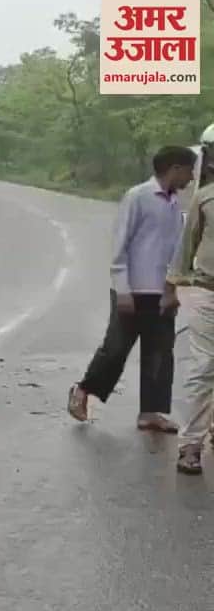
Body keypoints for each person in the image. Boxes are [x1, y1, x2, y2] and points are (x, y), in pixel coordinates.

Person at [68, 145, 197, 431]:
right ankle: (83, 391)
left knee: (160, 354)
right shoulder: (138, 197)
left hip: (162, 294)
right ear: (175, 168)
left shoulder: (177, 206)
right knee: (115, 349)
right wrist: (122, 289)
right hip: (132, 291)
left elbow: (176, 254)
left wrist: (172, 290)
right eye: (189, 170)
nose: (191, 177)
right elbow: (120, 245)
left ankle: (150, 412)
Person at [168, 127, 214, 474]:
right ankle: (191, 445)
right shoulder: (204, 198)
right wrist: (173, 285)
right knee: (204, 368)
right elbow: (185, 249)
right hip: (208, 292)